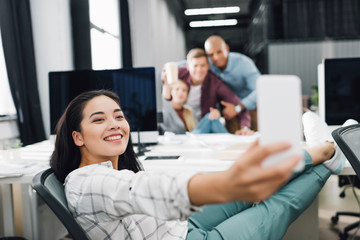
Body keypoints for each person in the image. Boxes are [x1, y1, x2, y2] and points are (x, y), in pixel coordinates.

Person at [51, 89, 347, 240]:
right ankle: (329, 156)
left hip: (175, 228)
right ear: (77, 137)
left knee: (247, 183)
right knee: (275, 205)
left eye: (118, 116)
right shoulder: (88, 182)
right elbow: (143, 189)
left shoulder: (106, 170)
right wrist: (223, 184)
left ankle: (321, 150)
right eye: (99, 119)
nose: (115, 125)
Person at [162, 48, 251, 133]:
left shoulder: (215, 83)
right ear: (188, 66)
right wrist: (165, 83)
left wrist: (245, 127)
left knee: (212, 118)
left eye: (203, 65)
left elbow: (237, 103)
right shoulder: (178, 74)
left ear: (208, 66)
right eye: (195, 65)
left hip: (201, 125)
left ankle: (232, 143)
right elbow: (167, 98)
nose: (199, 70)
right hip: (179, 127)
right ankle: (231, 144)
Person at [204, 35, 261, 117]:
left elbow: (259, 90)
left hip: (249, 107)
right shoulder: (210, 64)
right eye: (211, 54)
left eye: (219, 52)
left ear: (226, 48)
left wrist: (238, 107)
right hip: (227, 109)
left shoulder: (244, 63)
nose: (215, 57)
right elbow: (190, 62)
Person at [162, 78, 240, 134]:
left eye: (184, 90)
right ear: (171, 92)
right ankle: (230, 140)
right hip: (180, 140)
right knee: (210, 117)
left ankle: (229, 140)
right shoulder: (165, 111)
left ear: (187, 95)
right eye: (177, 89)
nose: (180, 92)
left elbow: (199, 128)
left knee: (212, 116)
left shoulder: (189, 111)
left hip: (193, 137)